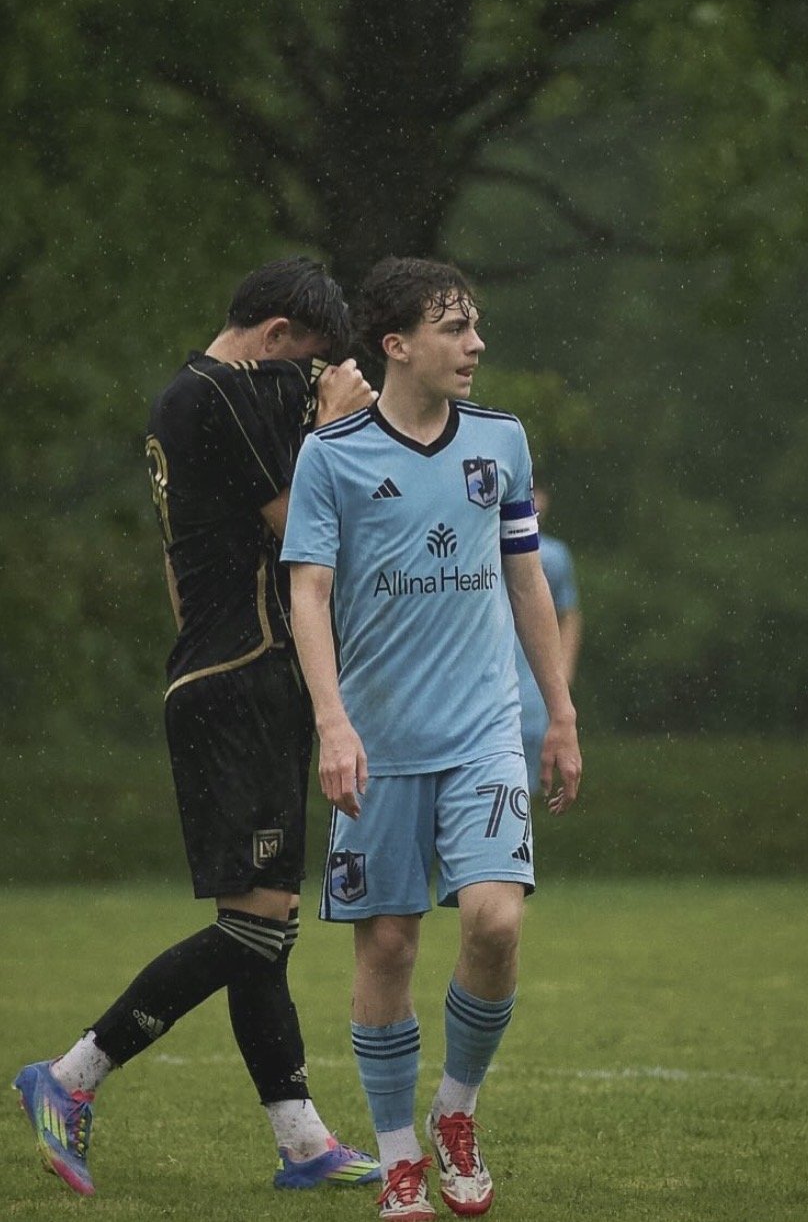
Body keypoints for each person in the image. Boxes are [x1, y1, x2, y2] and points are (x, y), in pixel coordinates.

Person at [12, 257, 381, 1198]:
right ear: (274, 334)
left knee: (268, 921)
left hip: (244, 673)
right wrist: (336, 427)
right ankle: (67, 1076)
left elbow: (191, 564)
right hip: (241, 675)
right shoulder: (215, 395)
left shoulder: (208, 393)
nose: (303, 382)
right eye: (302, 361)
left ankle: (302, 1141)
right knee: (256, 927)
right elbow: (302, 525)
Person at [281, 257, 582, 1220]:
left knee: (494, 919)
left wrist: (560, 710)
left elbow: (528, 580)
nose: (477, 344)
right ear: (397, 343)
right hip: (377, 743)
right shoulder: (332, 456)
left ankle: (456, 1111)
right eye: (455, 328)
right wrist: (332, 721)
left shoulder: (502, 440)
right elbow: (309, 594)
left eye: (477, 324)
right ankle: (400, 1155)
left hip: (485, 731)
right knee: (390, 948)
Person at [515, 483, 583, 792]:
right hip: (486, 687)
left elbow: (569, 614)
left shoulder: (553, 556)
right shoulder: (482, 548)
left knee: (527, 790)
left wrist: (562, 676)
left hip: (533, 692)